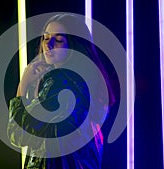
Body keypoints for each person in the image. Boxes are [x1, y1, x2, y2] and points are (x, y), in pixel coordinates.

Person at [7, 13, 115, 169]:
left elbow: (19, 134)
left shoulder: (60, 82)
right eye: (45, 38)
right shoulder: (87, 82)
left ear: (73, 44)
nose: (48, 45)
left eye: (58, 40)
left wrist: (22, 86)